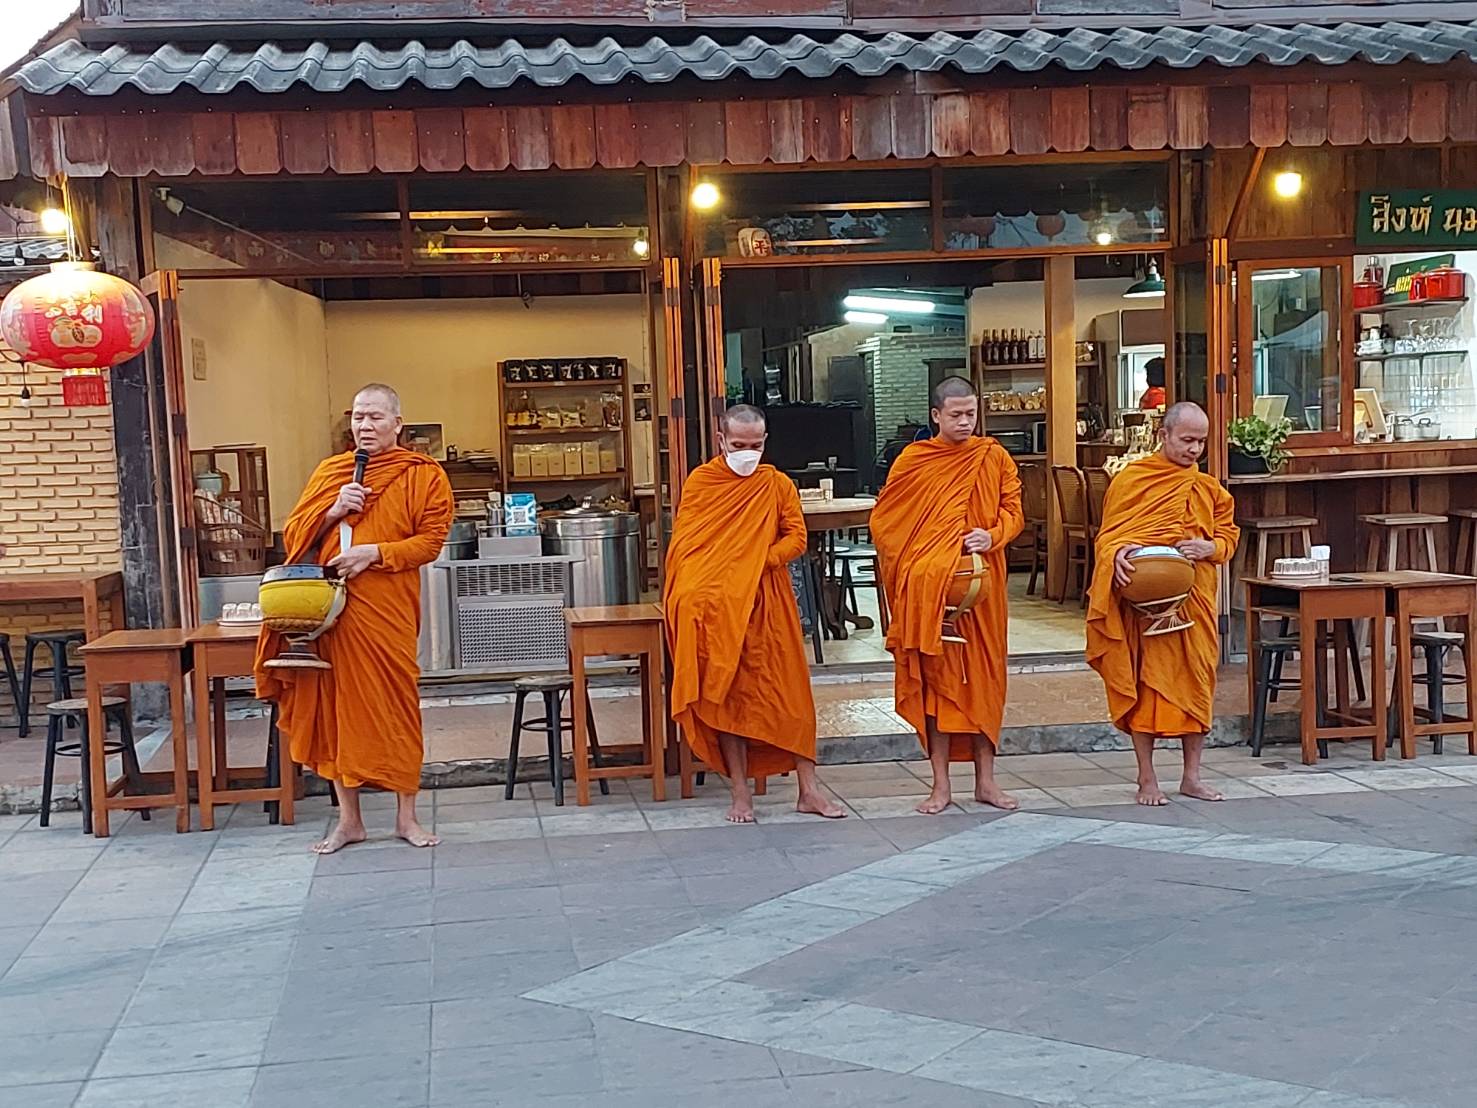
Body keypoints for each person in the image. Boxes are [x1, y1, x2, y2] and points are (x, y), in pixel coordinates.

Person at [255, 383, 454, 853]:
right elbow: (295, 539)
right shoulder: (331, 473)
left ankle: (407, 818)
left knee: (396, 705)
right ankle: (350, 821)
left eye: (375, 417)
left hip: (385, 605)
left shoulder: (422, 474)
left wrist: (374, 553)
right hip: (328, 611)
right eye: (358, 417)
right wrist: (331, 512)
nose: (365, 426)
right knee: (335, 709)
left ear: (398, 424)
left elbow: (430, 542)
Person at [664, 404, 846, 825]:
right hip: (721, 610)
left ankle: (809, 791)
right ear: (720, 441)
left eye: (756, 445)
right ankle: (741, 794)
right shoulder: (703, 483)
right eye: (739, 445)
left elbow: (796, 538)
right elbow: (688, 549)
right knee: (727, 696)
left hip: (768, 603)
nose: (748, 452)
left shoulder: (776, 484)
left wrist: (759, 560)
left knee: (792, 698)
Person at [872, 376, 1023, 815]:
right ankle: (940, 785)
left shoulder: (993, 457)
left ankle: (987, 782)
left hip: (982, 590)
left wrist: (991, 535)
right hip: (931, 597)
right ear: (935, 415)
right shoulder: (914, 461)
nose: (964, 422)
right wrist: (922, 563)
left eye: (971, 414)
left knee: (985, 682)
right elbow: (886, 524)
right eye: (955, 415)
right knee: (937, 685)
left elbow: (1014, 512)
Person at [1086, 401, 1240, 806]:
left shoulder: (1208, 489)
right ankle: (1147, 778)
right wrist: (1117, 553)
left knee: (1197, 681)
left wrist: (1209, 546)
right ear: (1164, 435)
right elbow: (1108, 537)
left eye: (1201, 442)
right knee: (1145, 683)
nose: (1194, 449)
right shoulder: (1132, 480)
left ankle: (1192, 776)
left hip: (1193, 600)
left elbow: (1228, 537)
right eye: (1187, 440)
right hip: (1146, 602)